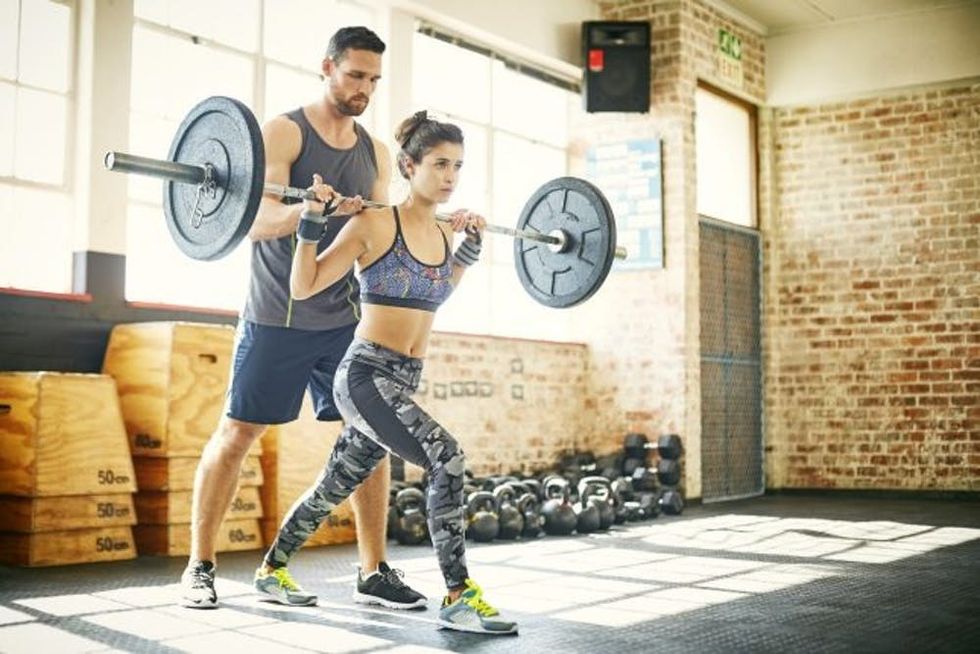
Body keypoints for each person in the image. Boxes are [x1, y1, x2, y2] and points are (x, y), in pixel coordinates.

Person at [180, 26, 426, 612]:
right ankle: (199, 567)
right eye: (355, 75)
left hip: (343, 318)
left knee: (368, 437)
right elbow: (250, 219)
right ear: (328, 67)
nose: (364, 88)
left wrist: (437, 225)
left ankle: (373, 570)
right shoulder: (283, 131)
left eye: (373, 79)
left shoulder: (375, 152)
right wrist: (304, 211)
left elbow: (375, 229)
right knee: (238, 433)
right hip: (276, 313)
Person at [256, 110, 519, 635]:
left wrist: (468, 248)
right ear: (408, 164)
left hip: (402, 378)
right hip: (364, 375)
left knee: (336, 484)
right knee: (446, 456)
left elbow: (438, 292)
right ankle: (458, 595)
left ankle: (271, 569)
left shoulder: (446, 232)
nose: (449, 177)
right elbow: (304, 285)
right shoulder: (372, 223)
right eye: (439, 164)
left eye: (458, 167)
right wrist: (310, 221)